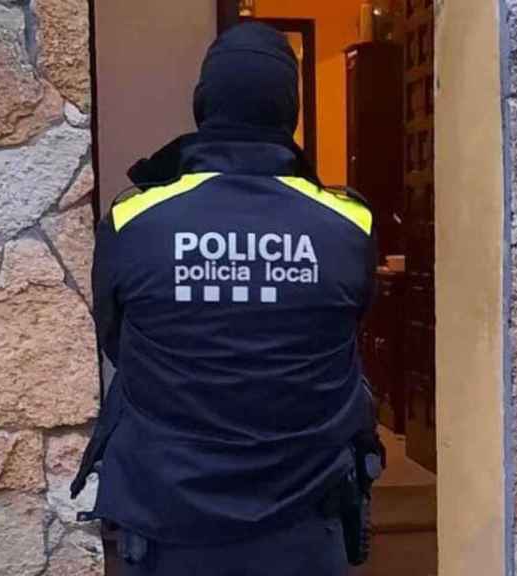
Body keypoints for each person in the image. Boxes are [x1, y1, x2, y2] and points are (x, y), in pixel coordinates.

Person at [72, 23, 380, 575]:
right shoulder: (348, 223)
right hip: (306, 526)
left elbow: (118, 342)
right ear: (292, 111)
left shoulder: (133, 220)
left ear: (202, 106)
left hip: (171, 526)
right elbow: (348, 329)